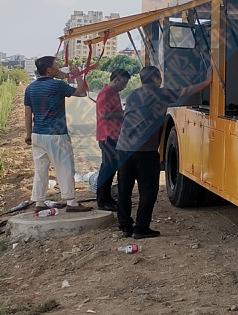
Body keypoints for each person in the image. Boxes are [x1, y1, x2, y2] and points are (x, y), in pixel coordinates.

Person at [115, 66, 211, 238]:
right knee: (148, 191)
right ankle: (141, 228)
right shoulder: (161, 94)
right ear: (156, 79)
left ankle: (125, 227)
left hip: (123, 149)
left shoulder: (132, 95)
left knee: (125, 190)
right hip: (145, 152)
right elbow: (186, 91)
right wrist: (208, 81)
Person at [24, 56, 92, 212]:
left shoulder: (30, 88)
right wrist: (77, 75)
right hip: (56, 134)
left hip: (37, 134)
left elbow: (28, 113)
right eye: (56, 65)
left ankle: (39, 202)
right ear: (49, 70)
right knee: (65, 167)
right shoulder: (57, 85)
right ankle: (71, 202)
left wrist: (28, 134)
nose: (59, 67)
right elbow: (81, 93)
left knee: (41, 169)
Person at [95, 68, 131, 212]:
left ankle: (107, 198)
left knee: (111, 168)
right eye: (123, 82)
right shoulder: (105, 94)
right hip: (107, 135)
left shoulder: (114, 93)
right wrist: (122, 114)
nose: (125, 86)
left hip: (114, 135)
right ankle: (102, 201)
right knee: (107, 168)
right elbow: (103, 115)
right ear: (116, 80)